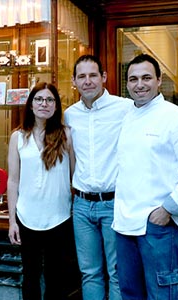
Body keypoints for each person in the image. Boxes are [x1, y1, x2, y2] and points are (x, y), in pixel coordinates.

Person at [113, 53, 178, 299]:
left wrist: (168, 209)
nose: (139, 84)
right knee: (130, 293)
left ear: (159, 80)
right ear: (127, 84)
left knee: (161, 295)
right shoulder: (125, 118)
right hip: (124, 224)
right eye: (133, 79)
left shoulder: (176, 118)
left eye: (146, 77)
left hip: (156, 224)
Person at [64, 54, 133, 300]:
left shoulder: (125, 108)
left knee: (117, 272)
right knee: (89, 272)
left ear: (104, 77)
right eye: (81, 76)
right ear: (74, 81)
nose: (88, 81)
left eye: (93, 75)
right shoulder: (69, 115)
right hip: (81, 205)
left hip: (114, 203)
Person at [7, 82, 77, 300]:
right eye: (39, 99)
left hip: (59, 217)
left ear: (56, 106)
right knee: (30, 277)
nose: (44, 104)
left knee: (57, 279)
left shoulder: (66, 135)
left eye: (49, 100)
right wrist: (12, 221)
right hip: (27, 217)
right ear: (30, 105)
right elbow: (13, 181)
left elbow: (74, 177)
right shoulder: (18, 137)